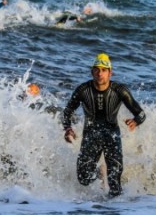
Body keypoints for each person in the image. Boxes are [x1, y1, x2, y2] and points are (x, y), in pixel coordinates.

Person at [62, 53, 146, 197]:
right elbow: (67, 112)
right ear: (92, 72)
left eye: (103, 70)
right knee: (84, 178)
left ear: (110, 72)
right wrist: (68, 129)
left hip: (112, 136)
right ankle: (101, 172)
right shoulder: (83, 90)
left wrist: (135, 121)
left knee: (115, 185)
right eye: (97, 70)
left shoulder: (120, 91)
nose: (100, 73)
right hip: (90, 137)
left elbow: (141, 114)